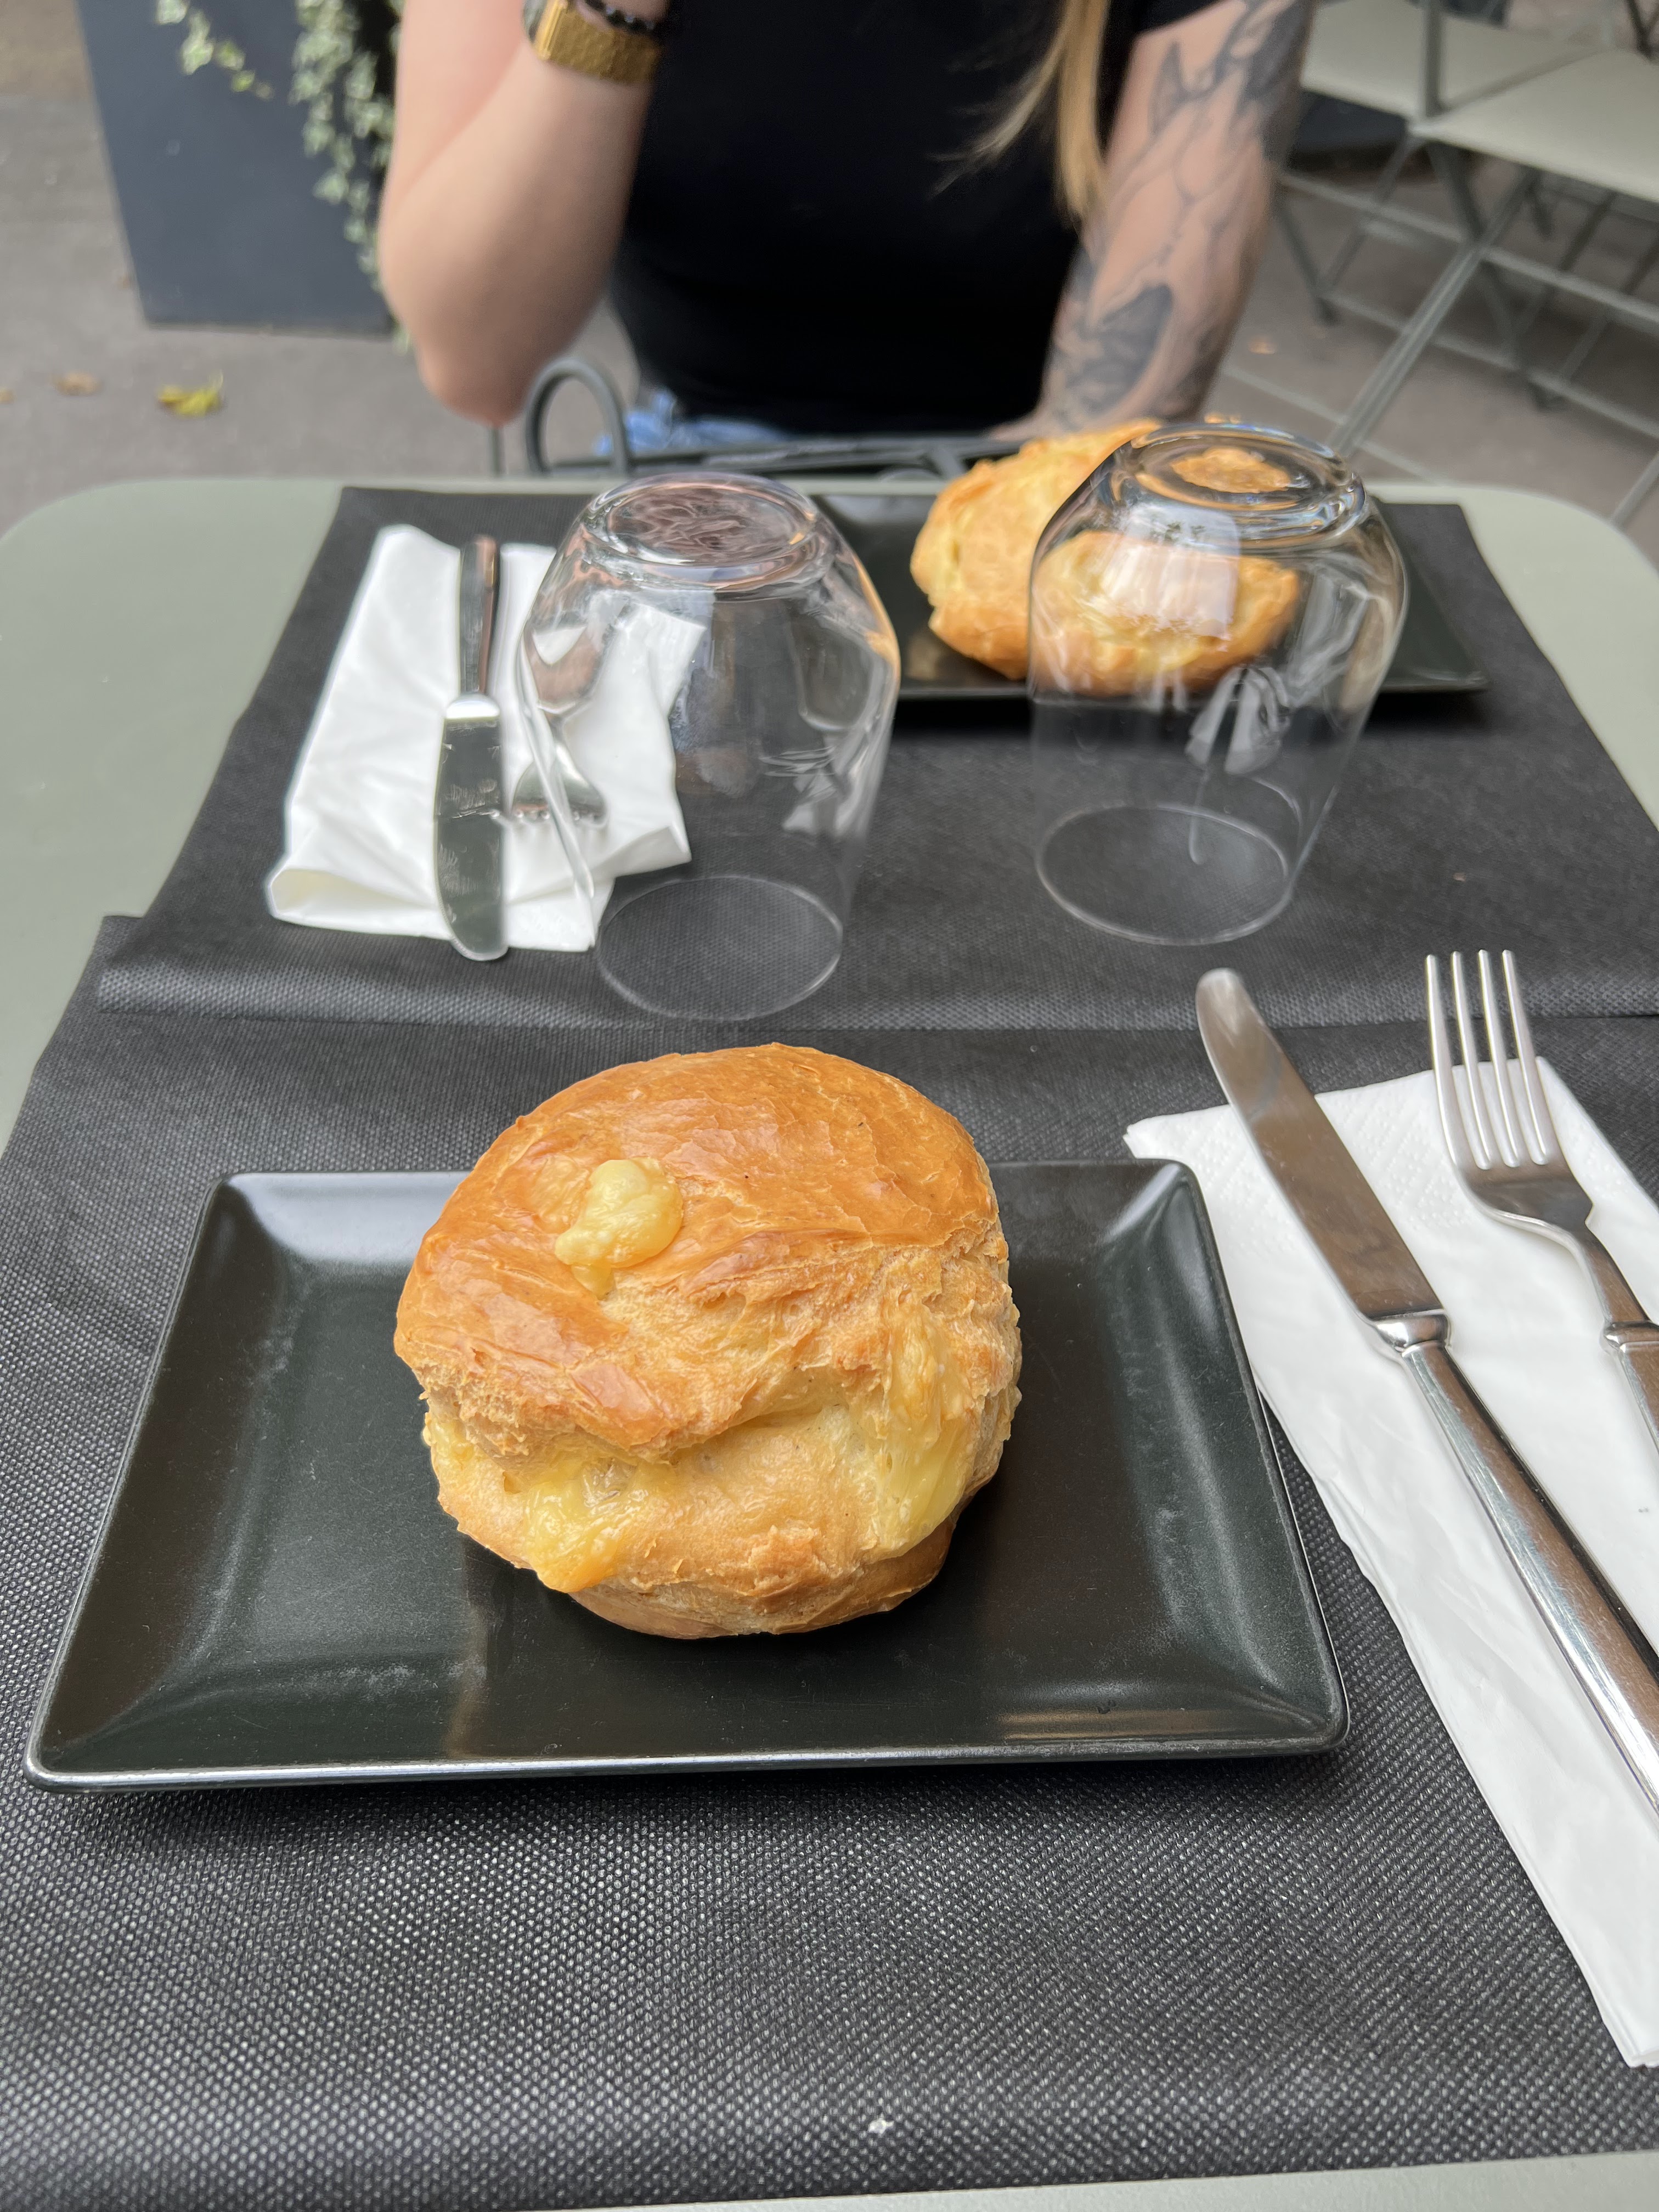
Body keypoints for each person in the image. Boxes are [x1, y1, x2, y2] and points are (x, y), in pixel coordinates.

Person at [380, 0, 1313, 449]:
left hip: (1017, 478)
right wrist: (610, 15)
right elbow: (478, 363)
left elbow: (1105, 430)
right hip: (692, 466)